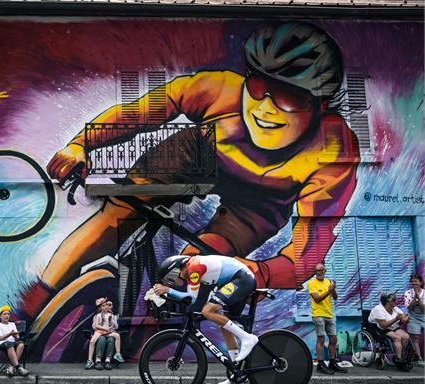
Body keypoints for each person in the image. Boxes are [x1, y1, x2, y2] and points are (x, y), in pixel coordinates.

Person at [21, 21, 359, 336]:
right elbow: (144, 112)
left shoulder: (333, 150)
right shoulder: (218, 90)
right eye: (258, 87)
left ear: (321, 106)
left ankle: (150, 337)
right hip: (198, 154)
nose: (265, 108)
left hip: (259, 204)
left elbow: (305, 259)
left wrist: (255, 273)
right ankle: (33, 305)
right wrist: (80, 144)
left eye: (289, 97)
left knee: (197, 264)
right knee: (115, 217)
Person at [152, 255, 258, 384]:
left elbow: (192, 298)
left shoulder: (194, 267)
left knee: (207, 311)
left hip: (241, 279)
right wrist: (167, 293)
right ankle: (235, 373)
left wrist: (168, 290)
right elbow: (195, 298)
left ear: (175, 270)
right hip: (237, 280)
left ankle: (247, 338)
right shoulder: (194, 268)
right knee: (224, 326)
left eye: (169, 279)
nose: (170, 283)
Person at [308, 263, 347, 374]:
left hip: (329, 314)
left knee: (333, 339)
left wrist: (333, 289)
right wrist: (329, 291)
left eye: (321, 270)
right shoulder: (312, 284)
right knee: (321, 339)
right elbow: (317, 299)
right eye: (317, 271)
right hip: (318, 315)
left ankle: (332, 362)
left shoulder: (328, 282)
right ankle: (320, 364)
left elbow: (335, 298)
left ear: (325, 271)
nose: (319, 272)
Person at [368, 293, 410, 362]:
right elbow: (383, 325)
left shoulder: (395, 308)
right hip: (380, 328)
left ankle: (401, 355)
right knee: (397, 338)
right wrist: (396, 319)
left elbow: (403, 318)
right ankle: (398, 358)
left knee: (406, 336)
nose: (395, 302)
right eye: (394, 300)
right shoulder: (378, 309)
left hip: (392, 327)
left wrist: (406, 319)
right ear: (387, 302)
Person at [85, 298, 124, 370]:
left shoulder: (111, 315)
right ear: (100, 308)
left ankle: (116, 355)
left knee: (116, 336)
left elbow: (115, 326)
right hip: (100, 332)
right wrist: (106, 329)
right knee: (94, 341)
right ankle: (91, 360)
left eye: (106, 305)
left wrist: (112, 322)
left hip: (108, 333)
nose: (106, 307)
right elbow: (95, 326)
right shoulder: (98, 316)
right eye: (103, 306)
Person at [0, 306, 29, 377]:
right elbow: (0, 338)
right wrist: (9, 334)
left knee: (21, 344)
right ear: (0, 316)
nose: (7, 316)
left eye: (8, 314)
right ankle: (18, 367)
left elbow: (17, 337)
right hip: (2, 343)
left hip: (12, 342)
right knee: (10, 344)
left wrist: (15, 335)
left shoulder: (12, 324)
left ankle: (11, 366)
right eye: (4, 314)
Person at [404, 274, 424, 366]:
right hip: (413, 316)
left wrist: (419, 299)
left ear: (420, 282)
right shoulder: (408, 293)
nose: (414, 283)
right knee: (415, 338)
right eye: (412, 281)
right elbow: (409, 307)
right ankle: (419, 357)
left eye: (416, 281)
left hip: (423, 315)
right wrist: (414, 298)